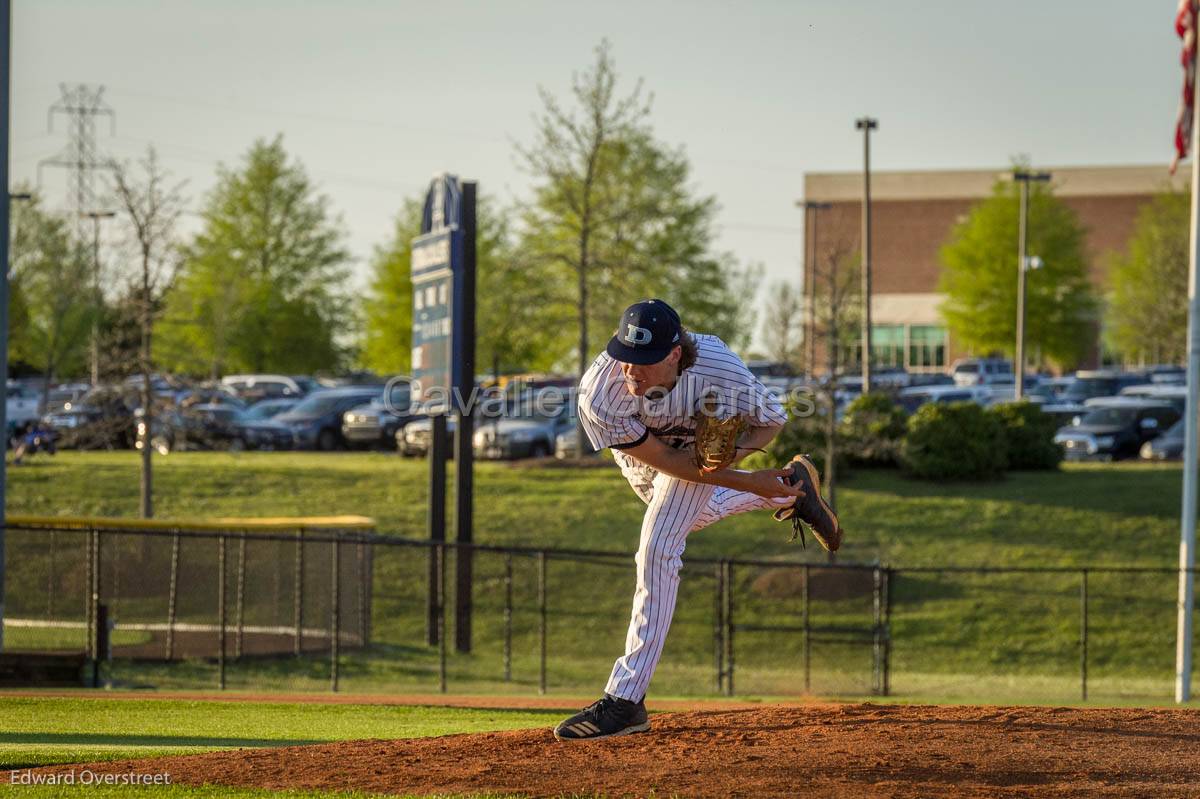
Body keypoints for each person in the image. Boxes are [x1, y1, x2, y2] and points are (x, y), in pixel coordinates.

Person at [553, 298, 843, 742]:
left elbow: (771, 421)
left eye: (645, 362)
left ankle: (625, 700)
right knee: (692, 516)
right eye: (625, 356)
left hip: (693, 455)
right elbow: (668, 460)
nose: (632, 371)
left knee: (658, 547)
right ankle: (792, 489)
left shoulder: (718, 368)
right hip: (649, 462)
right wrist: (750, 483)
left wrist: (729, 456)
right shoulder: (601, 393)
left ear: (674, 355)